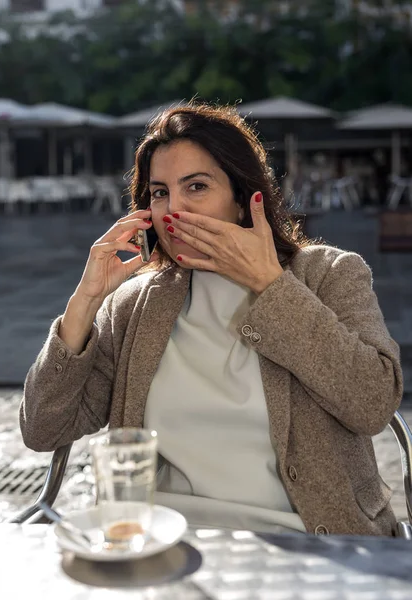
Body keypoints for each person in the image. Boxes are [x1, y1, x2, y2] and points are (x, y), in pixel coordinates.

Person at [20, 102, 403, 537]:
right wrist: (86, 300)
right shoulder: (135, 304)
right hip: (162, 541)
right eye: (160, 192)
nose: (173, 209)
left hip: (310, 544)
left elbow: (373, 403)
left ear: (243, 200)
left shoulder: (329, 274)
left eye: (196, 186)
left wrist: (270, 285)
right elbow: (43, 428)